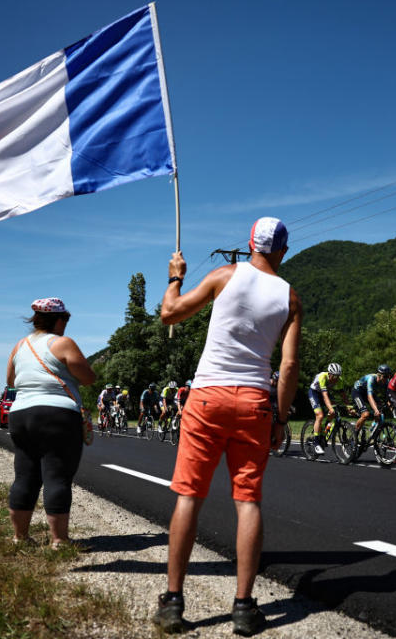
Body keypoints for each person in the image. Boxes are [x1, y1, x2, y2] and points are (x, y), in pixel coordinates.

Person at [154, 217, 301, 636]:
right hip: (254, 401)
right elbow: (288, 366)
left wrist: (174, 278)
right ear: (283, 251)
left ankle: (173, 602)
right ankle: (242, 606)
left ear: (250, 243)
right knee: (248, 500)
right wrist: (282, 416)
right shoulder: (291, 297)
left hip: (207, 397)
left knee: (189, 495)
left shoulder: (224, 275)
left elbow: (169, 314)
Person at [5, 297, 96, 548]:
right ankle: (59, 540)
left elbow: (11, 380)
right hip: (56, 415)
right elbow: (88, 377)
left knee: (24, 476)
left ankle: (20, 538)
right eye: (65, 319)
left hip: (20, 414)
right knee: (57, 476)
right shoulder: (63, 343)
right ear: (59, 320)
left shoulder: (20, 346)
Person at [307, 363, 345, 455]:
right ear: (329, 374)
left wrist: (349, 406)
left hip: (325, 394)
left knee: (333, 412)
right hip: (314, 393)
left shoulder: (339, 380)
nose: (336, 379)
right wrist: (330, 408)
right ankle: (316, 443)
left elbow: (343, 395)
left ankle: (324, 431)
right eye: (334, 376)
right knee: (319, 416)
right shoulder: (322, 377)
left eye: (338, 376)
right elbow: (324, 396)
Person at [351, 364, 392, 434]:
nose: (386, 378)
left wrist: (392, 407)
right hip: (358, 392)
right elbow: (370, 397)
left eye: (388, 376)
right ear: (379, 375)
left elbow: (389, 396)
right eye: (385, 376)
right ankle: (354, 435)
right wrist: (375, 410)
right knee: (365, 414)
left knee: (380, 409)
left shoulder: (386, 381)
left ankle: (372, 430)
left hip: (367, 393)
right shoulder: (371, 379)